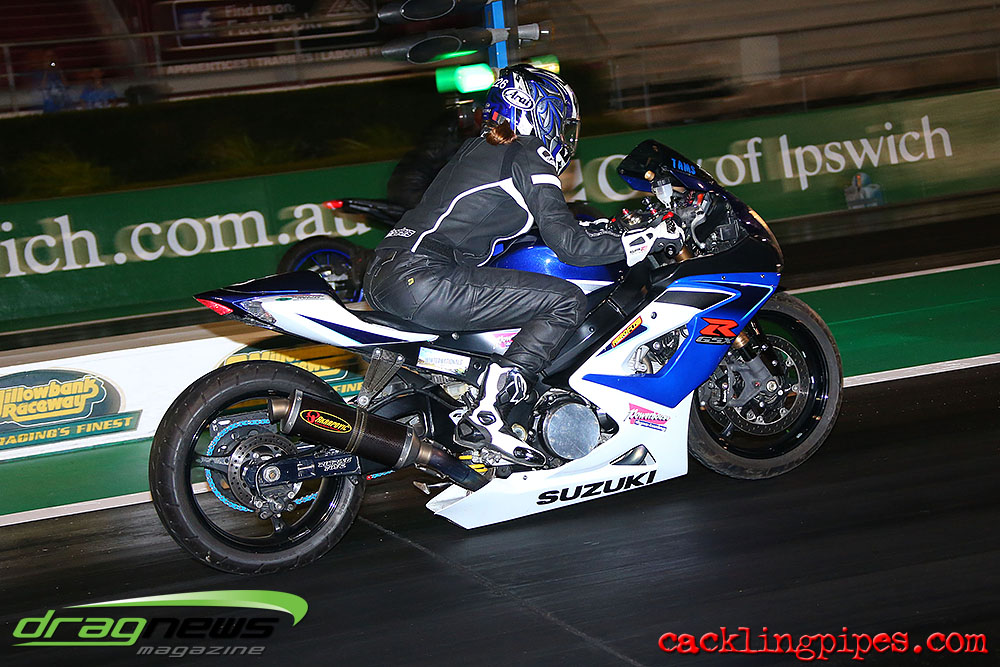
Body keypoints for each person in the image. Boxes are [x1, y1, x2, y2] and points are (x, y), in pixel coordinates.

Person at [364, 64, 673, 455]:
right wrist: (645, 239)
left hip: (391, 271)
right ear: (538, 112)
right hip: (424, 276)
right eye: (562, 122)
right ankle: (493, 411)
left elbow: (529, 228)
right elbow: (571, 247)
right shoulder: (528, 152)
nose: (565, 135)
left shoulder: (485, 149)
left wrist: (607, 232)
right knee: (565, 300)